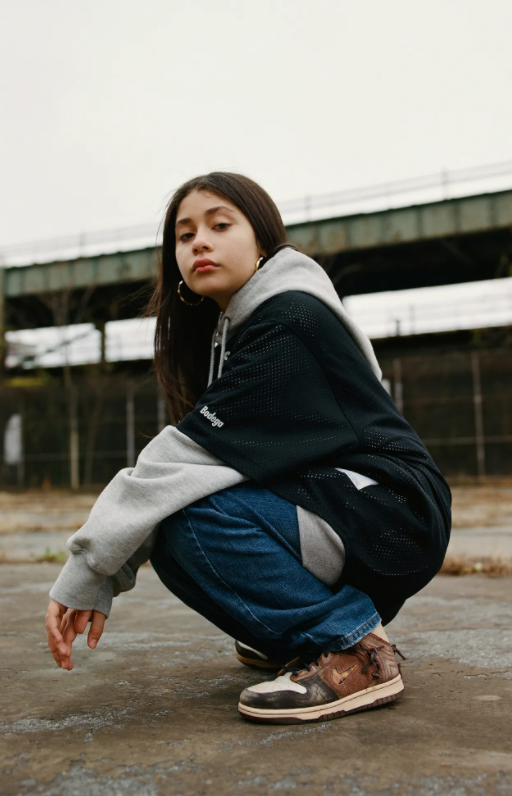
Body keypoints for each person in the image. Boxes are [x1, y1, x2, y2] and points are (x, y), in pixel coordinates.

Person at [45, 172, 451, 725]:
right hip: (354, 510)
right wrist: (116, 560)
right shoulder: (243, 325)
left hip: (390, 513)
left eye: (220, 225)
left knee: (188, 519)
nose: (199, 243)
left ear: (263, 239)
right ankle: (297, 632)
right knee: (170, 526)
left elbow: (181, 460)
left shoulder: (289, 322)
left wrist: (90, 568)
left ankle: (354, 650)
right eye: (185, 235)